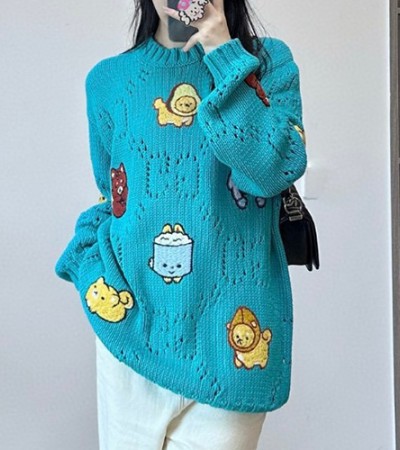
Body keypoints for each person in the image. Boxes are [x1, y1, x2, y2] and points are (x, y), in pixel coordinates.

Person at [54, 0, 308, 448]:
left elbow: (272, 170)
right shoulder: (108, 81)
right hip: (131, 332)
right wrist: (88, 267)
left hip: (233, 342)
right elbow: (114, 195)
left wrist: (223, 50)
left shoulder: (269, 63)